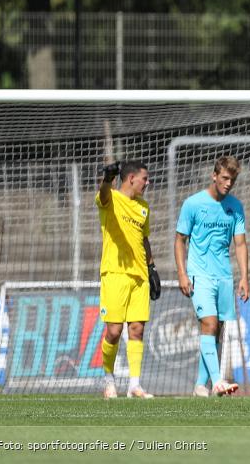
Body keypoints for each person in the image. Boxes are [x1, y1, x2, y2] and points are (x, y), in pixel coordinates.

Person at [175, 156, 250, 397]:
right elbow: (179, 240)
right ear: (214, 175)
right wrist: (182, 274)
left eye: (233, 179)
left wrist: (244, 277)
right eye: (225, 178)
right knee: (208, 323)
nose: (229, 183)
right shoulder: (193, 204)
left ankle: (200, 385)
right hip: (199, 274)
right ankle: (217, 381)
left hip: (224, 277)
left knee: (215, 329)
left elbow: (240, 244)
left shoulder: (235, 207)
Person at [97, 160, 155, 399]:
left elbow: (144, 239)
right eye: (145, 178)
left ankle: (134, 385)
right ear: (131, 178)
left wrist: (152, 268)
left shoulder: (143, 207)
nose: (148, 182)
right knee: (113, 331)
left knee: (137, 329)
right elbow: (102, 195)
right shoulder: (110, 198)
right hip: (115, 273)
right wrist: (107, 179)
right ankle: (108, 379)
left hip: (139, 275)